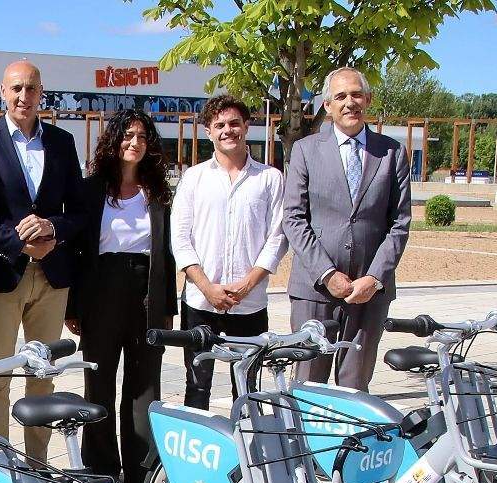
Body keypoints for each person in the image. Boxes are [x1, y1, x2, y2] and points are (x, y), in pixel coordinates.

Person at [0, 59, 87, 464]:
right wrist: (19, 243)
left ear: (41, 94)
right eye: (16, 88)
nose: (23, 96)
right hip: (2, 274)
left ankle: (37, 465)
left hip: (52, 277)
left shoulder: (62, 142)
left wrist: (51, 229)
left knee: (43, 376)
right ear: (2, 91)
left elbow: (80, 211)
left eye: (31, 89)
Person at [65, 109, 177, 483]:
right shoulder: (91, 188)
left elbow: (167, 252)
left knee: (144, 384)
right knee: (99, 380)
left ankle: (143, 469)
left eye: (143, 137)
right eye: (128, 135)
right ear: (114, 141)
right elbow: (78, 250)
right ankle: (101, 466)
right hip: (101, 289)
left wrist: (166, 307)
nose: (135, 143)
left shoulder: (158, 191)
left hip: (146, 289)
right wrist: (74, 306)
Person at [283, 66, 411, 392]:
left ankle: (351, 443)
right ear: (327, 105)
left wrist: (375, 278)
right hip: (315, 288)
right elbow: (294, 219)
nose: (349, 102)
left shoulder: (392, 152)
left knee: (355, 385)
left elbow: (399, 223)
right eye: (340, 96)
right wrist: (328, 274)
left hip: (369, 291)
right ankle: (309, 444)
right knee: (309, 383)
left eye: (356, 94)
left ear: (368, 99)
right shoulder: (305, 150)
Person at [170, 94, 288, 412]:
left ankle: (249, 456)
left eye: (234, 123)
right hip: (200, 301)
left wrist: (249, 282)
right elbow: (180, 239)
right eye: (219, 124)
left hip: (248, 304)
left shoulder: (270, 179)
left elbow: (277, 237)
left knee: (248, 389)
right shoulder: (194, 178)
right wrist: (206, 286)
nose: (227, 130)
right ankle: (197, 457)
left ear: (247, 127)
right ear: (209, 131)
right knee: (197, 386)